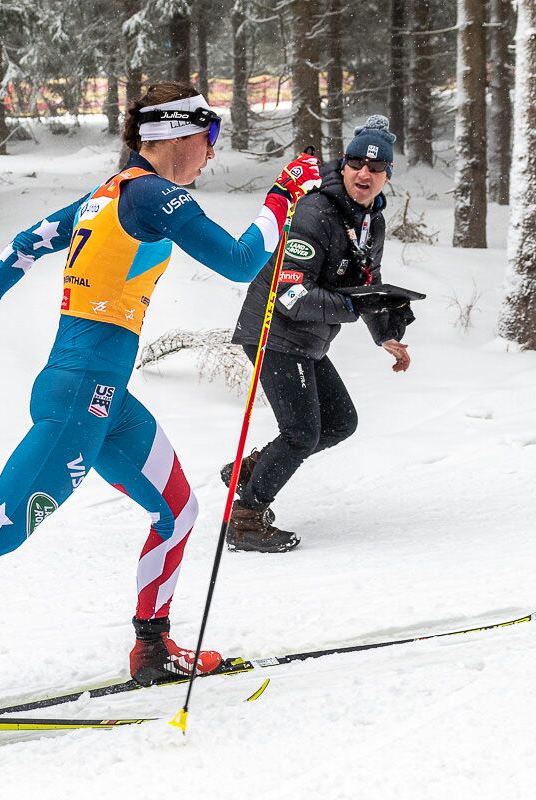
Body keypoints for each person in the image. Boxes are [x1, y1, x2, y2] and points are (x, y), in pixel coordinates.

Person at [0, 81, 322, 715]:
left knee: (178, 509)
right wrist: (283, 193)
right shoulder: (154, 194)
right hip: (80, 398)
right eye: (211, 137)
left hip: (102, 395)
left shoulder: (108, 196)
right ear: (180, 134)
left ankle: (153, 648)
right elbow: (236, 261)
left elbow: (25, 244)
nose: (212, 154)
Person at [224, 115, 415, 554]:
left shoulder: (371, 220)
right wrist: (350, 307)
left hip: (308, 337)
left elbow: (367, 280)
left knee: (340, 423)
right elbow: (291, 292)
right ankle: (247, 518)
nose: (364, 174)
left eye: (376, 168)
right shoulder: (314, 211)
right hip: (274, 329)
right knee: (301, 432)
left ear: (387, 175)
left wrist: (384, 333)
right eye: (355, 164)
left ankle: (252, 471)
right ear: (343, 165)